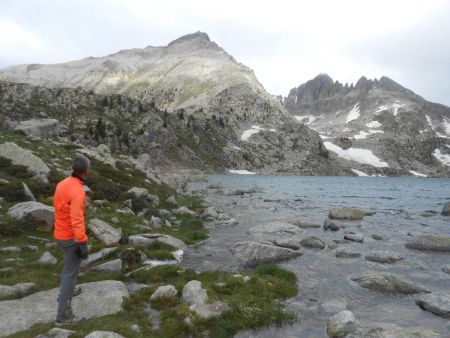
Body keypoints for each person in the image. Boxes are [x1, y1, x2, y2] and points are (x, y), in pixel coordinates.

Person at [53, 154, 91, 325]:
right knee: (71, 272)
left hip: (59, 234)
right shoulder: (78, 192)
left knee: (68, 267)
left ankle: (65, 291)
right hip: (71, 238)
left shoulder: (62, 184)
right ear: (86, 171)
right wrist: (82, 243)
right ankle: (63, 317)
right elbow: (77, 219)